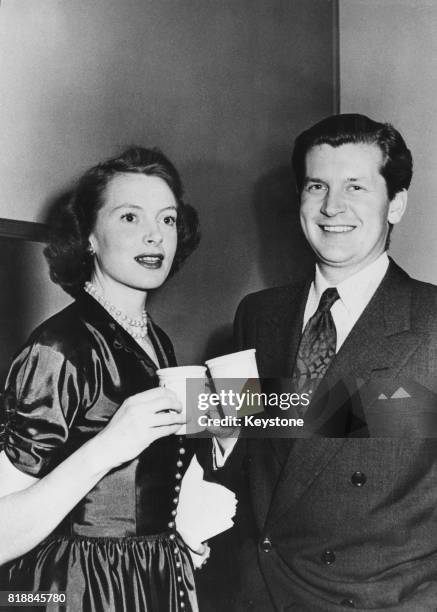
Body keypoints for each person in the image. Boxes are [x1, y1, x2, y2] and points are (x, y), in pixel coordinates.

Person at [223, 114, 437, 610]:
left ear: (396, 204)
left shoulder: (431, 321)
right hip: (259, 593)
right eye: (316, 185)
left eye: (355, 186)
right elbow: (245, 446)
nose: (332, 206)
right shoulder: (258, 314)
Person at [0, 146, 203, 611]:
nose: (155, 235)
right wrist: (107, 447)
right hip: (77, 587)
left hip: (150, 575)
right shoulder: (59, 348)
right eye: (130, 218)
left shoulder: (157, 340)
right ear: (89, 236)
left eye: (168, 219)